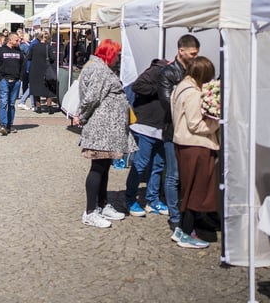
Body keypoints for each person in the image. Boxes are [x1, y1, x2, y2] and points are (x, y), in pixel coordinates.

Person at [72, 39, 136, 228]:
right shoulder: (100, 70)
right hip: (102, 129)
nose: (118, 58)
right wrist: (81, 116)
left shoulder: (100, 68)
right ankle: (90, 211)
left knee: (104, 167)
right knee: (98, 168)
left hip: (107, 129)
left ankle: (101, 204)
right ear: (109, 54)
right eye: (117, 54)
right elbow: (91, 98)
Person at [170, 56, 219, 249]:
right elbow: (195, 124)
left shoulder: (181, 87)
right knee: (195, 191)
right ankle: (186, 232)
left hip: (186, 145)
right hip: (196, 146)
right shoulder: (192, 93)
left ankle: (182, 230)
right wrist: (216, 122)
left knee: (189, 189)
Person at [157, 34, 200, 230]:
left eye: (196, 54)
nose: (194, 56)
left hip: (191, 131)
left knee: (187, 175)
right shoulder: (168, 73)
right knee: (173, 175)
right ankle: (175, 217)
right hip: (172, 130)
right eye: (192, 53)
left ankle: (187, 213)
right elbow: (168, 103)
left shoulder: (195, 70)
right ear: (181, 51)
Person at [124, 58, 169, 217]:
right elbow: (138, 86)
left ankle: (153, 200)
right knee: (141, 164)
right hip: (145, 125)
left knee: (158, 165)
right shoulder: (158, 69)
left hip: (161, 128)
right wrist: (162, 87)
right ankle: (129, 199)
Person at [0, 32, 26, 136]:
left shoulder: (19, 52)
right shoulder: (0, 51)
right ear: (10, 40)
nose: (18, 41)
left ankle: (10, 125)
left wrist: (20, 78)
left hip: (16, 81)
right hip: (4, 80)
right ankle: (3, 125)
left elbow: (23, 66)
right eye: (16, 40)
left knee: (11, 104)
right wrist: (1, 78)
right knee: (3, 103)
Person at [28, 31, 58, 113]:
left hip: (35, 70)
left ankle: (38, 107)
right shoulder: (49, 47)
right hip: (46, 70)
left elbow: (29, 57)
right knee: (49, 88)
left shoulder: (34, 47)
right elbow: (52, 58)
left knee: (36, 88)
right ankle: (49, 107)